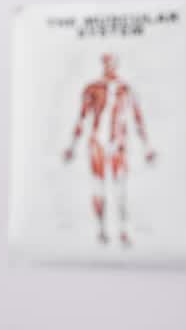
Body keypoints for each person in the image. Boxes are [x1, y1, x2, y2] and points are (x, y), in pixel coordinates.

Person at [62, 53, 157, 247]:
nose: (110, 66)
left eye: (112, 63)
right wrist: (72, 146)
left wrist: (146, 147)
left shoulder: (126, 90)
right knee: (99, 186)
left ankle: (122, 230)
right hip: (97, 142)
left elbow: (137, 118)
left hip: (118, 143)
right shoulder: (92, 89)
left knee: (120, 187)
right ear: (103, 65)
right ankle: (101, 230)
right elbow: (81, 118)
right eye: (107, 63)